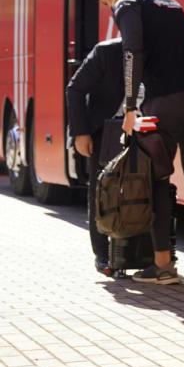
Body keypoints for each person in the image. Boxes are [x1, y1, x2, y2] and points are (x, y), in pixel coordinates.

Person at [94, 0, 184, 285]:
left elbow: (132, 52)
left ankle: (163, 266)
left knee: (156, 178)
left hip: (166, 102)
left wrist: (131, 107)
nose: (110, 11)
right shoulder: (168, 1)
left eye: (106, 5)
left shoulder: (127, 3)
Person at [66, 38, 126, 274]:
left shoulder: (155, 50)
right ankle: (103, 255)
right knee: (102, 192)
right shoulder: (106, 52)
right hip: (106, 131)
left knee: (145, 190)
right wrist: (81, 133)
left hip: (144, 128)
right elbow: (75, 89)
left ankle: (140, 254)